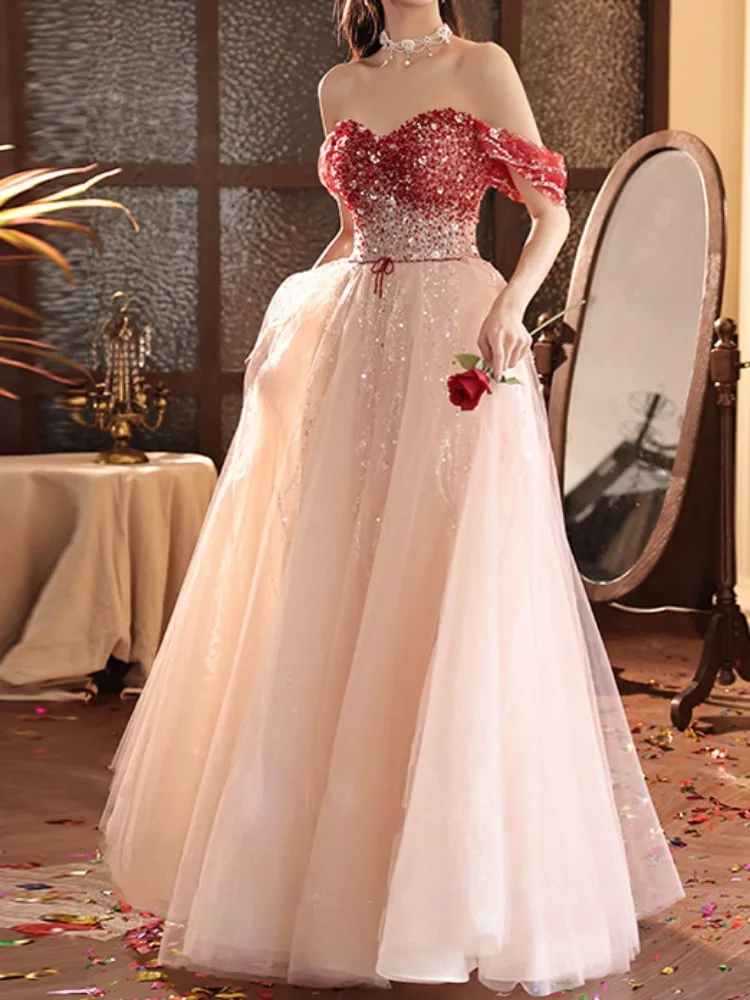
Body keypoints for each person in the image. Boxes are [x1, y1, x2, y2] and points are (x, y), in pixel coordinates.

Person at [101, 1, 684, 994]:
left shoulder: (482, 65)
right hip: (356, 346)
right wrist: (289, 321)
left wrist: (513, 309)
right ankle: (331, 879)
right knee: (338, 586)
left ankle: (453, 887)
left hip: (454, 339)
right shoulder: (341, 83)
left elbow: (550, 213)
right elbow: (348, 234)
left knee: (443, 587)